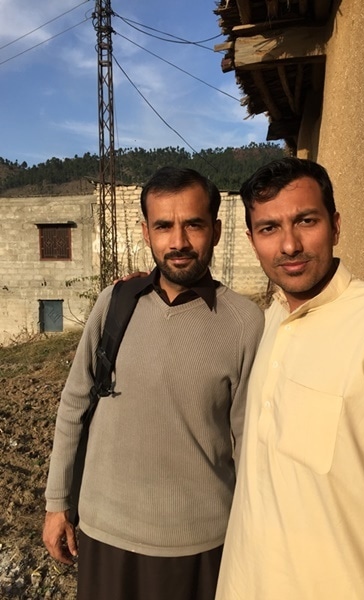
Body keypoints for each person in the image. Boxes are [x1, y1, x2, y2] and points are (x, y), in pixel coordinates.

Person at [214, 157, 364, 600]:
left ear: (336, 225)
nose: (289, 245)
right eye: (269, 229)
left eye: (306, 221)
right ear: (251, 241)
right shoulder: (265, 327)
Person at [42, 166, 264, 600]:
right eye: (164, 226)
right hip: (106, 535)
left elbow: (249, 443)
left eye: (193, 225)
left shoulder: (245, 323)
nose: (178, 242)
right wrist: (57, 504)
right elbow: (74, 404)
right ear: (146, 233)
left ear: (216, 231)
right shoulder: (115, 302)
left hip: (199, 547)